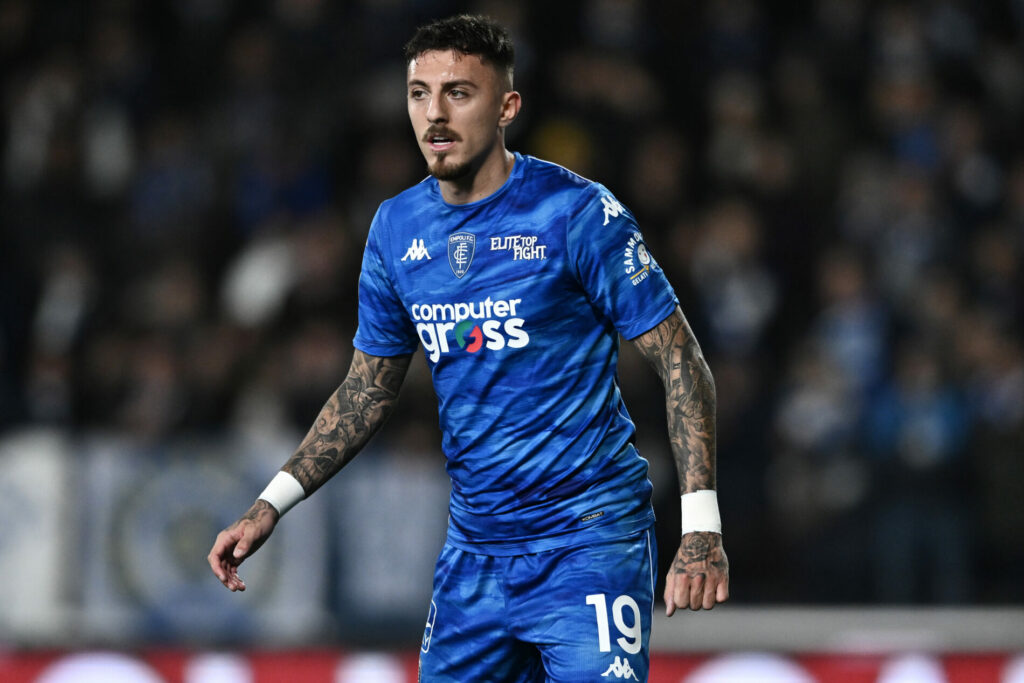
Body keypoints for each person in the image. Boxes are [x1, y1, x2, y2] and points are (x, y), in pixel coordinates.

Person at [208, 14, 728, 681]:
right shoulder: (396, 229)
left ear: (507, 106)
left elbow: (682, 361)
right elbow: (366, 391)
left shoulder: (574, 214)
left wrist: (701, 525)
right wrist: (269, 504)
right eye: (419, 93)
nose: (434, 113)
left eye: (458, 92)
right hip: (475, 551)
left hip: (588, 540)